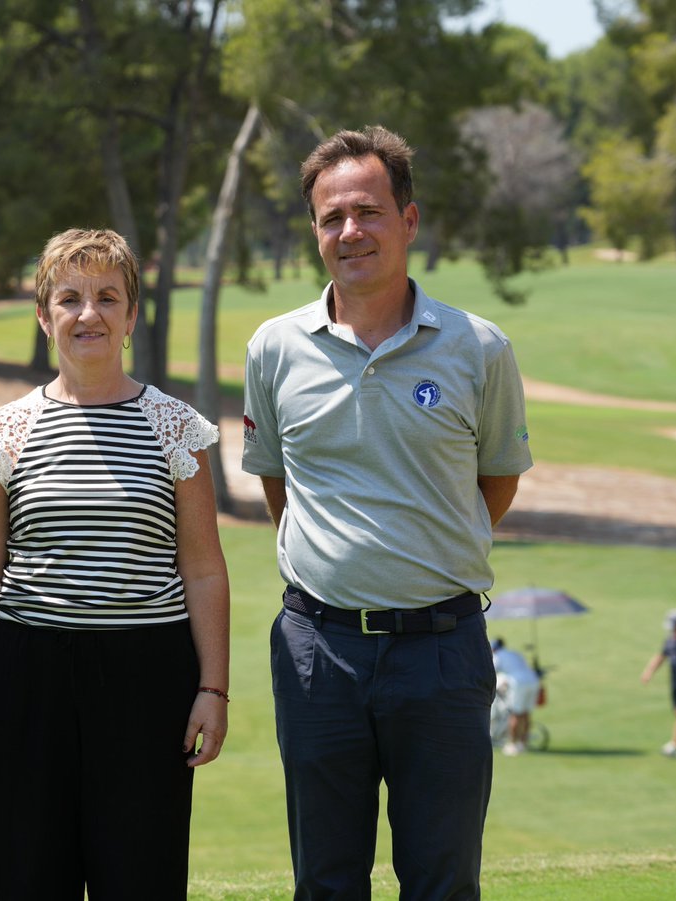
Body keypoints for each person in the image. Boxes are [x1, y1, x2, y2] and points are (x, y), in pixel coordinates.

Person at [241, 126, 533, 899]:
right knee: (326, 882)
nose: (350, 231)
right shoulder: (274, 349)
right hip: (318, 651)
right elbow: (280, 485)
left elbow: (495, 482)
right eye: (331, 217)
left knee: (442, 881)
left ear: (408, 220)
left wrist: (426, 550)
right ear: (314, 232)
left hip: (442, 650)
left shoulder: (479, 348)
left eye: (368, 211)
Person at [0, 228, 230, 900]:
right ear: (44, 316)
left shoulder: (176, 427)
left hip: (147, 678)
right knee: (29, 877)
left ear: (132, 316)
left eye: (108, 297)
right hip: (27, 678)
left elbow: (205, 568)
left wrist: (212, 689)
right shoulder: (8, 430)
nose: (88, 314)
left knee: (141, 876)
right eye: (69, 298)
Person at [640, 609, 676, 757]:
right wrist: (648, 671)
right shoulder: (670, 641)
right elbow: (661, 656)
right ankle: (675, 744)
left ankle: (675, 744)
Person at [491, 637, 542, 756]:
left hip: (518, 684)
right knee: (525, 713)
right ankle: (523, 743)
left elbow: (492, 672)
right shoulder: (515, 653)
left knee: (515, 713)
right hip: (533, 681)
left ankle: (513, 744)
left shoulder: (497, 656)